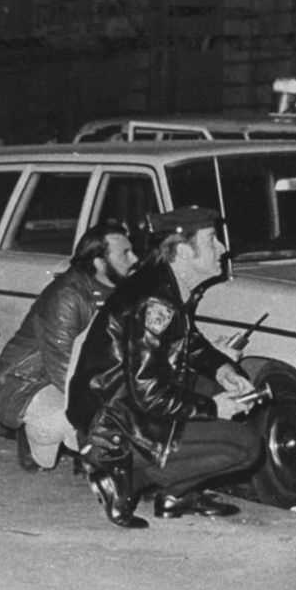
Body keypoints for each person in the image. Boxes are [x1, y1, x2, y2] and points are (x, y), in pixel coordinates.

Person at [67, 206, 261, 529]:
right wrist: (212, 408)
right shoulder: (155, 300)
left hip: (121, 404)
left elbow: (189, 343)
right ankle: (125, 473)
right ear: (183, 251)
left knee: (216, 392)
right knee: (248, 446)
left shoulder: (162, 283)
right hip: (115, 423)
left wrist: (224, 371)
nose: (223, 250)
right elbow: (149, 392)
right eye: (212, 241)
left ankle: (175, 495)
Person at [0, 220, 139, 472]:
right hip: (31, 380)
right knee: (79, 423)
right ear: (100, 263)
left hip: (86, 377)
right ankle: (35, 433)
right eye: (125, 253)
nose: (135, 258)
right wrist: (110, 405)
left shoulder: (125, 292)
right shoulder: (66, 296)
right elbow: (63, 367)